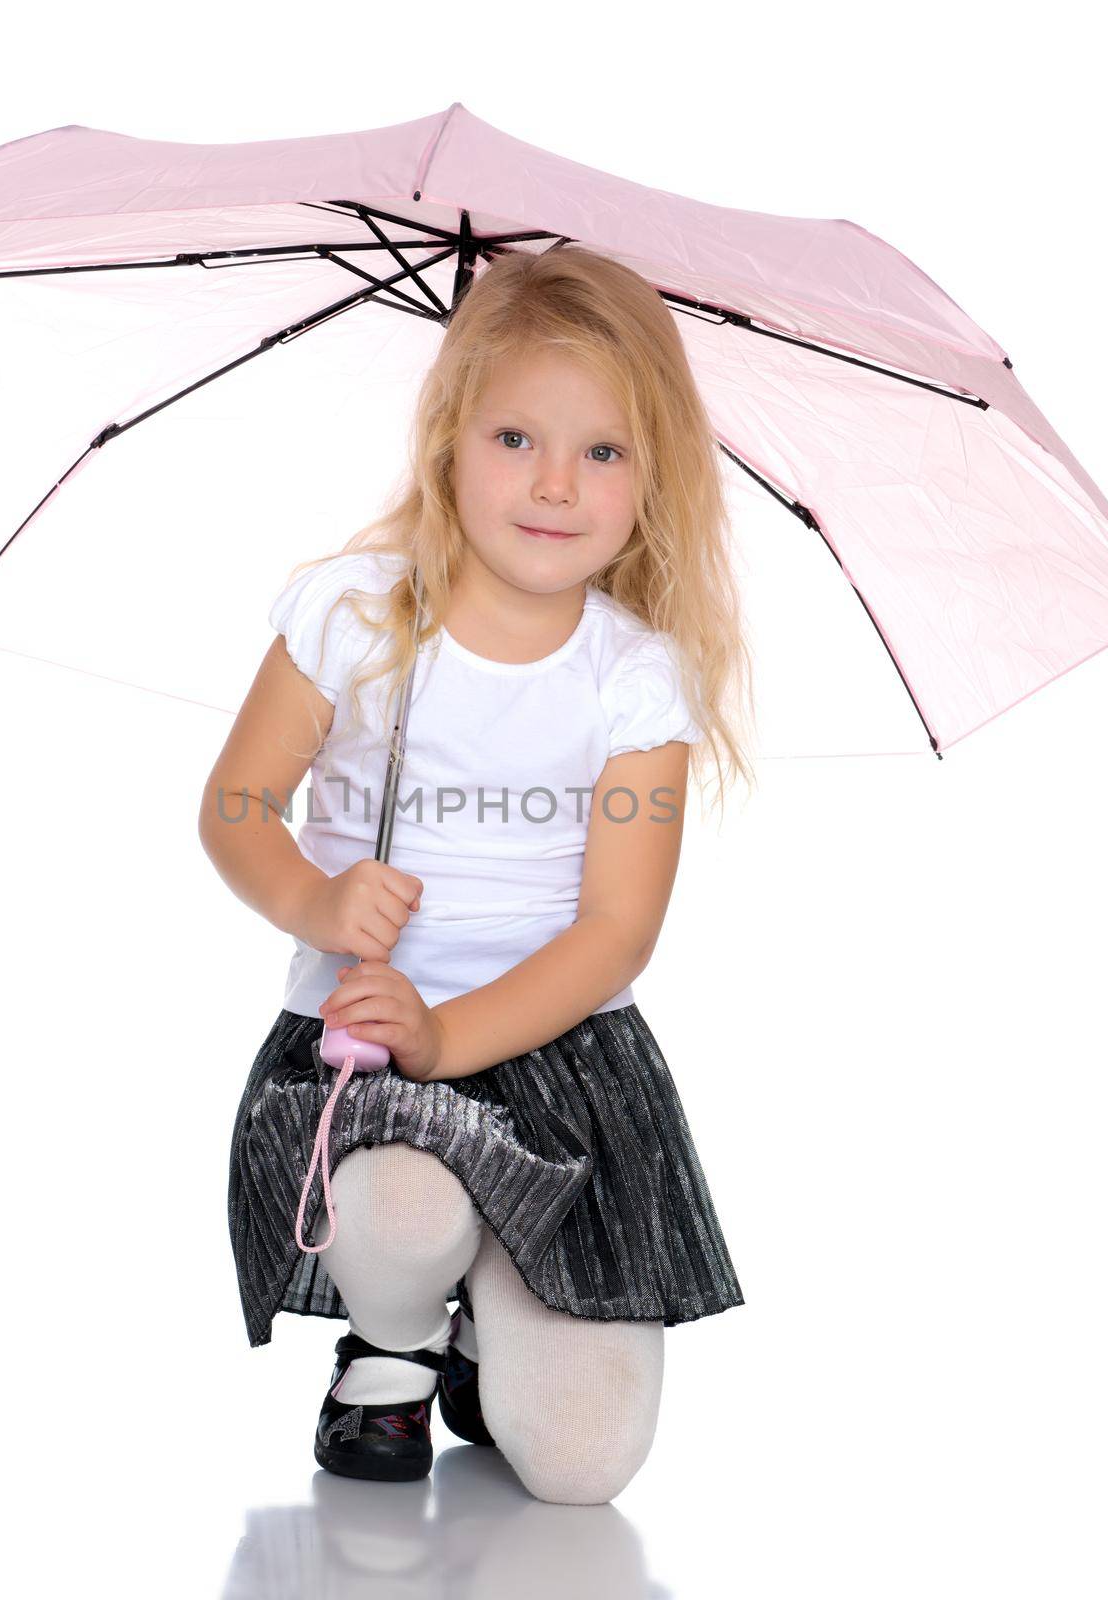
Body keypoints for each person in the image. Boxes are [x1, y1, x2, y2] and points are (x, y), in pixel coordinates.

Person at [198, 243, 754, 1506]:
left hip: (559, 1061)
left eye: (603, 452)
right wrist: (316, 902)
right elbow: (237, 805)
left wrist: (454, 1032)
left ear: (650, 472)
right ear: (448, 434)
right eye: (515, 437)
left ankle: (491, 1322)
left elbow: (614, 931)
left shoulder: (631, 678)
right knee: (395, 1218)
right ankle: (394, 1335)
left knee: (579, 1469)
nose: (555, 484)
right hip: (372, 1047)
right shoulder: (354, 617)